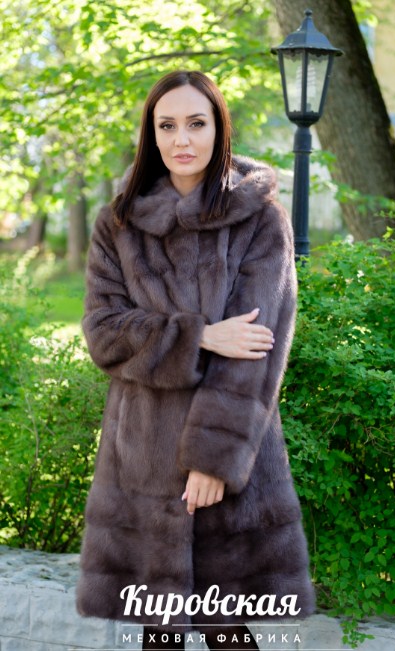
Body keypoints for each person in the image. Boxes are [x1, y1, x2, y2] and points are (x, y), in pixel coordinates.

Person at [76, 70, 315, 650]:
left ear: (218, 128)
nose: (181, 139)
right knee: (158, 634)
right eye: (167, 126)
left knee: (226, 631)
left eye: (196, 123)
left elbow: (257, 351)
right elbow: (104, 334)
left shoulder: (259, 219)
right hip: (140, 462)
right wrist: (200, 336)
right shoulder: (119, 222)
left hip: (229, 459)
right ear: (151, 135)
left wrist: (213, 461)